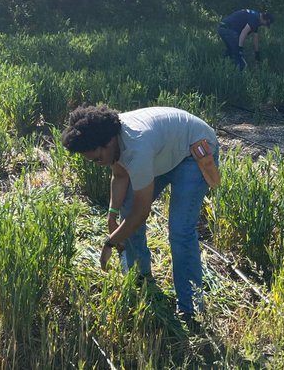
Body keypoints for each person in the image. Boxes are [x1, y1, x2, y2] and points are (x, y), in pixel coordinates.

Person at [62, 104, 219, 319]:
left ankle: (191, 308)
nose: (98, 164)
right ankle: (139, 276)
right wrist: (112, 215)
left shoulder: (137, 147)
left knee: (180, 231)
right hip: (165, 150)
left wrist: (110, 242)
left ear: (108, 143)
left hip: (193, 150)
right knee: (126, 210)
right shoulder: (113, 137)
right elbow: (119, 176)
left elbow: (140, 212)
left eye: (98, 159)